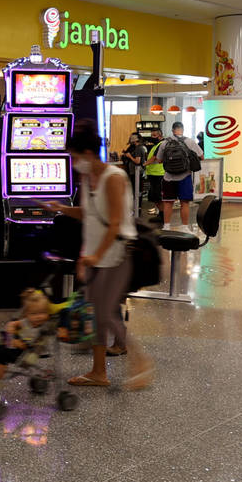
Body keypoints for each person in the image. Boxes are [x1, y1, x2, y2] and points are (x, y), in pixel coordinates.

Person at [43, 123, 153, 390]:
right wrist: (63, 210)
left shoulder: (113, 178)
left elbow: (115, 223)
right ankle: (99, 372)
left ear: (90, 153)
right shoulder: (88, 178)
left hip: (116, 255)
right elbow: (90, 213)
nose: (72, 163)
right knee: (97, 314)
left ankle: (141, 363)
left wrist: (94, 257)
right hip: (94, 255)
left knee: (104, 313)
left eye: (75, 157)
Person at [0, 289, 53, 391]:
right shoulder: (26, 322)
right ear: (27, 314)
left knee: (1, 353)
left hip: (25, 353)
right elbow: (12, 324)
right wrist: (10, 330)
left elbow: (27, 345)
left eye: (43, 313)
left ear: (48, 313)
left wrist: (14, 342)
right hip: (15, 348)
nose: (38, 316)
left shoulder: (43, 329)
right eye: (34, 314)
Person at [156, 121, 204, 231]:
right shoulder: (190, 142)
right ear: (183, 130)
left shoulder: (164, 143)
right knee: (185, 203)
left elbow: (159, 160)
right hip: (185, 177)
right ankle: (185, 227)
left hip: (168, 178)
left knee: (168, 203)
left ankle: (166, 226)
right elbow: (202, 157)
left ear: (172, 130)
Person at [144, 128, 164, 219]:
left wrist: (144, 164)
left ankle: (162, 216)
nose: (152, 137)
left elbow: (154, 158)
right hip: (153, 174)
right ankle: (160, 214)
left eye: (154, 135)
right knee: (155, 197)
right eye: (151, 135)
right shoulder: (155, 145)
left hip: (159, 174)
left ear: (160, 136)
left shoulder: (161, 144)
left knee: (158, 197)